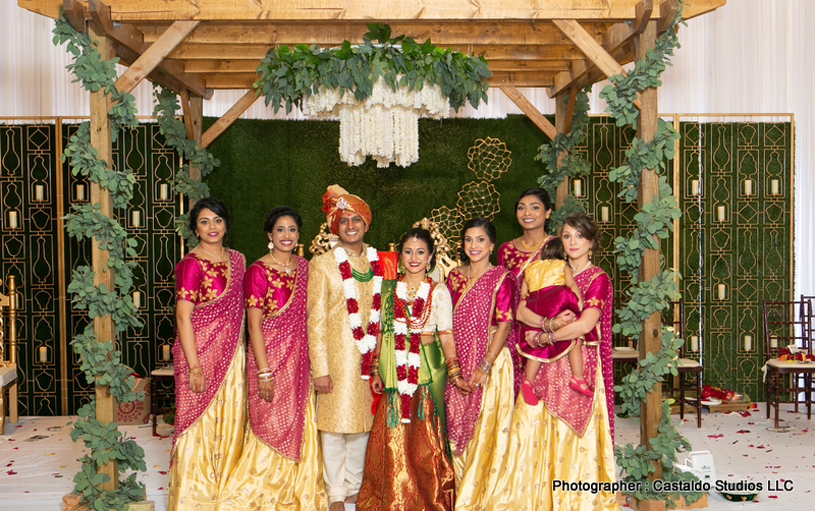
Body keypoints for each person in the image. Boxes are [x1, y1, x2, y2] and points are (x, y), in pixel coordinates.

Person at [492, 213, 618, 511]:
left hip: (578, 362)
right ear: (559, 240)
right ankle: (531, 499)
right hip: (540, 363)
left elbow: (585, 324)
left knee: (571, 431)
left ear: (591, 242)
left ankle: (572, 500)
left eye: (580, 236)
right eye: (567, 236)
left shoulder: (597, 278)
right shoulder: (544, 270)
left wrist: (545, 337)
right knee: (530, 423)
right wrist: (548, 326)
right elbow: (521, 312)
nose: (573, 242)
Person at [218, 206, 328, 510]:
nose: (287, 236)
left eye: (292, 230)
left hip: (300, 361)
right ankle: (262, 492)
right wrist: (264, 372)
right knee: (269, 422)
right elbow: (253, 325)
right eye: (280, 230)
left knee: (301, 421)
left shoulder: (306, 267)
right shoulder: (258, 270)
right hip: (269, 359)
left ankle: (299, 491)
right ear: (269, 235)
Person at [358, 228, 469, 511]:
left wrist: (454, 372)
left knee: (426, 442)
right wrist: (374, 370)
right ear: (400, 256)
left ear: (430, 257)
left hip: (427, 370)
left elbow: (445, 334)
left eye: (421, 252)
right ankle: (393, 499)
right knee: (393, 437)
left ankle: (430, 501)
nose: (414, 258)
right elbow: (381, 332)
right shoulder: (386, 288)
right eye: (408, 252)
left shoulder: (439, 290)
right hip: (393, 368)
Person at [307, 185, 384, 511]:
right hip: (335, 358)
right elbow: (315, 320)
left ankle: (354, 486)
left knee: (362, 427)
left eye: (356, 219)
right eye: (343, 220)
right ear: (334, 226)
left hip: (369, 360)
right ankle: (335, 492)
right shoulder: (322, 264)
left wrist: (381, 360)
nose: (350, 225)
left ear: (366, 224)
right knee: (334, 427)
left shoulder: (380, 262)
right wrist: (320, 368)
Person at [167, 198, 246, 511]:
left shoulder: (238, 259)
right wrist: (194, 366)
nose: (212, 227)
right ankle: (193, 499)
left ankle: (227, 495)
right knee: (198, 424)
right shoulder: (191, 264)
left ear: (226, 224)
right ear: (195, 228)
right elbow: (184, 316)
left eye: (217, 220)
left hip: (234, 355)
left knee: (233, 420)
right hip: (199, 352)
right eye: (204, 221)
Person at [443, 217, 516, 511]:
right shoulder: (454, 277)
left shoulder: (502, 277)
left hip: (491, 363)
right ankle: (462, 492)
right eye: (469, 240)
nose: (474, 246)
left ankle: (483, 498)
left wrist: (484, 366)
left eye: (480, 240)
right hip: (457, 358)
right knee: (454, 421)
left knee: (487, 428)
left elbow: (505, 324)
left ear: (492, 245)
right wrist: (454, 366)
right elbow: (445, 323)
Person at [497, 187, 574, 394]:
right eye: (521, 208)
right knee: (509, 389)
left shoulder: (557, 247)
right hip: (509, 329)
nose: (527, 213)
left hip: (543, 331)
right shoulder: (505, 250)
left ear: (548, 212)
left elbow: (566, 289)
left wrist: (552, 325)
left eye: (534, 207)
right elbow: (499, 292)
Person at [516, 236, 596, 406]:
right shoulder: (562, 265)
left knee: (538, 343)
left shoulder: (531, 267)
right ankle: (578, 377)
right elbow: (572, 285)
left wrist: (533, 301)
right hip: (555, 301)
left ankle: (528, 381)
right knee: (574, 336)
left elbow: (524, 292)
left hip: (534, 304)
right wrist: (579, 304)